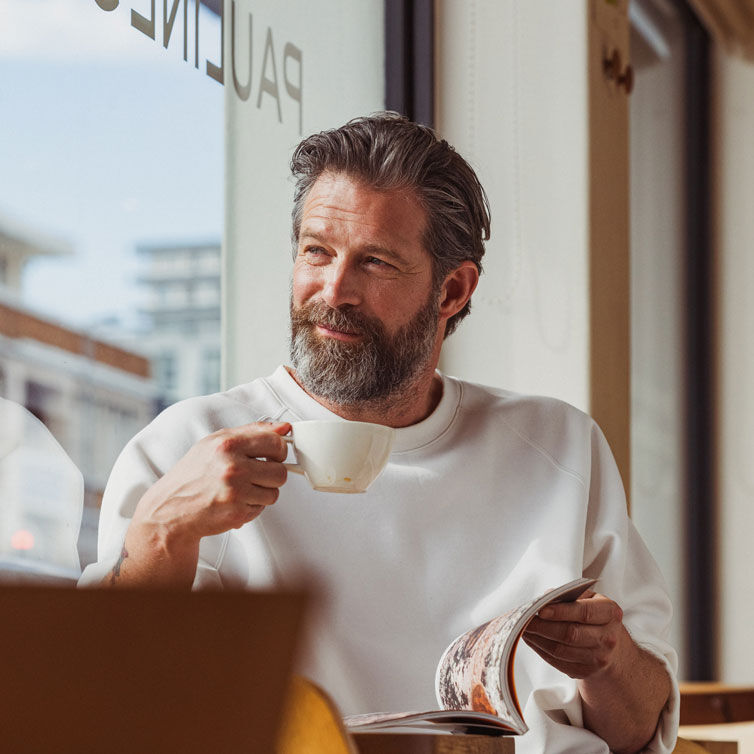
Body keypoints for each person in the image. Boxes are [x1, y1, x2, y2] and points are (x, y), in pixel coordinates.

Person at [79, 112, 678, 753]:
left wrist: (609, 661)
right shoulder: (190, 443)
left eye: (376, 262)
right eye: (317, 251)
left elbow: (642, 733)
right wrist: (160, 532)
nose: (334, 289)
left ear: (452, 290)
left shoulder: (558, 443)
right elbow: (96, 703)